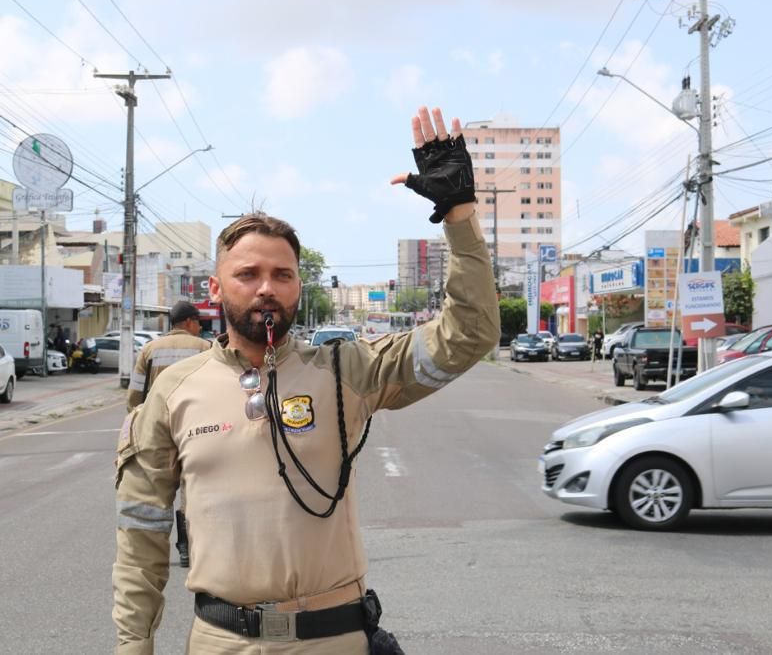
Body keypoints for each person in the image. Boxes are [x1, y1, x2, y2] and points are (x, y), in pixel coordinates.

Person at [113, 106, 500, 654]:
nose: (265, 287)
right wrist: (133, 647)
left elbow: (470, 335)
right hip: (222, 643)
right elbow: (141, 533)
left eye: (282, 275)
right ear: (217, 289)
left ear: (299, 288)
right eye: (247, 274)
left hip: (334, 639)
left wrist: (458, 213)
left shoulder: (348, 371)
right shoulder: (174, 393)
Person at [126, 300, 212, 568]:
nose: (199, 327)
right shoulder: (206, 349)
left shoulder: (150, 349)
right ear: (189, 323)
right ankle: (186, 549)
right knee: (190, 490)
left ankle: (149, 553)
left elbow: (134, 394)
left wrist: (138, 421)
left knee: (156, 492)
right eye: (198, 322)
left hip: (157, 429)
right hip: (195, 428)